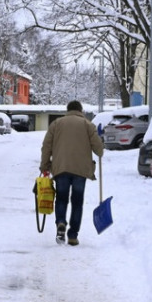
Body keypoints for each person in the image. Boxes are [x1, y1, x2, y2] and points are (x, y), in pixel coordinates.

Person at [39, 100, 104, 246]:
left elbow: (46, 146)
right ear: (80, 110)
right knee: (77, 202)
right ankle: (73, 235)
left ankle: (61, 222)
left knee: (61, 198)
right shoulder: (88, 125)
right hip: (81, 170)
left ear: (67, 110)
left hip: (61, 168)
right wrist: (101, 141)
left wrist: (44, 165)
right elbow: (99, 150)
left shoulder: (56, 124)